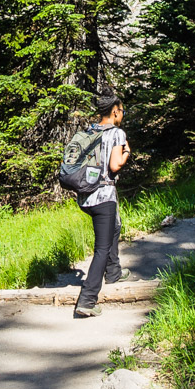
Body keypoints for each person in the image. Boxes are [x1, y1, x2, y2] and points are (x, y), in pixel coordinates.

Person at [72, 95, 130, 318]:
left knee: (115, 226)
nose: (123, 115)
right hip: (103, 196)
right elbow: (115, 165)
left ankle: (114, 272)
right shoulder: (116, 133)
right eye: (122, 111)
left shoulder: (89, 131)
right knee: (102, 248)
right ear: (114, 111)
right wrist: (126, 153)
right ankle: (87, 300)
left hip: (85, 195)